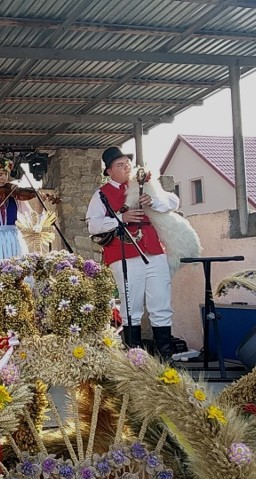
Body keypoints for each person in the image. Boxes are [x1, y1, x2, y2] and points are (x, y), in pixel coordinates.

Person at [86, 146, 179, 359]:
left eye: (127, 162)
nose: (126, 166)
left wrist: (154, 202)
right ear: (109, 171)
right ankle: (133, 361)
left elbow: (173, 202)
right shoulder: (102, 194)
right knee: (131, 308)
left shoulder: (143, 184)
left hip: (154, 251)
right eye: (120, 164)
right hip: (124, 254)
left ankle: (166, 359)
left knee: (161, 303)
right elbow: (93, 226)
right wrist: (121, 219)